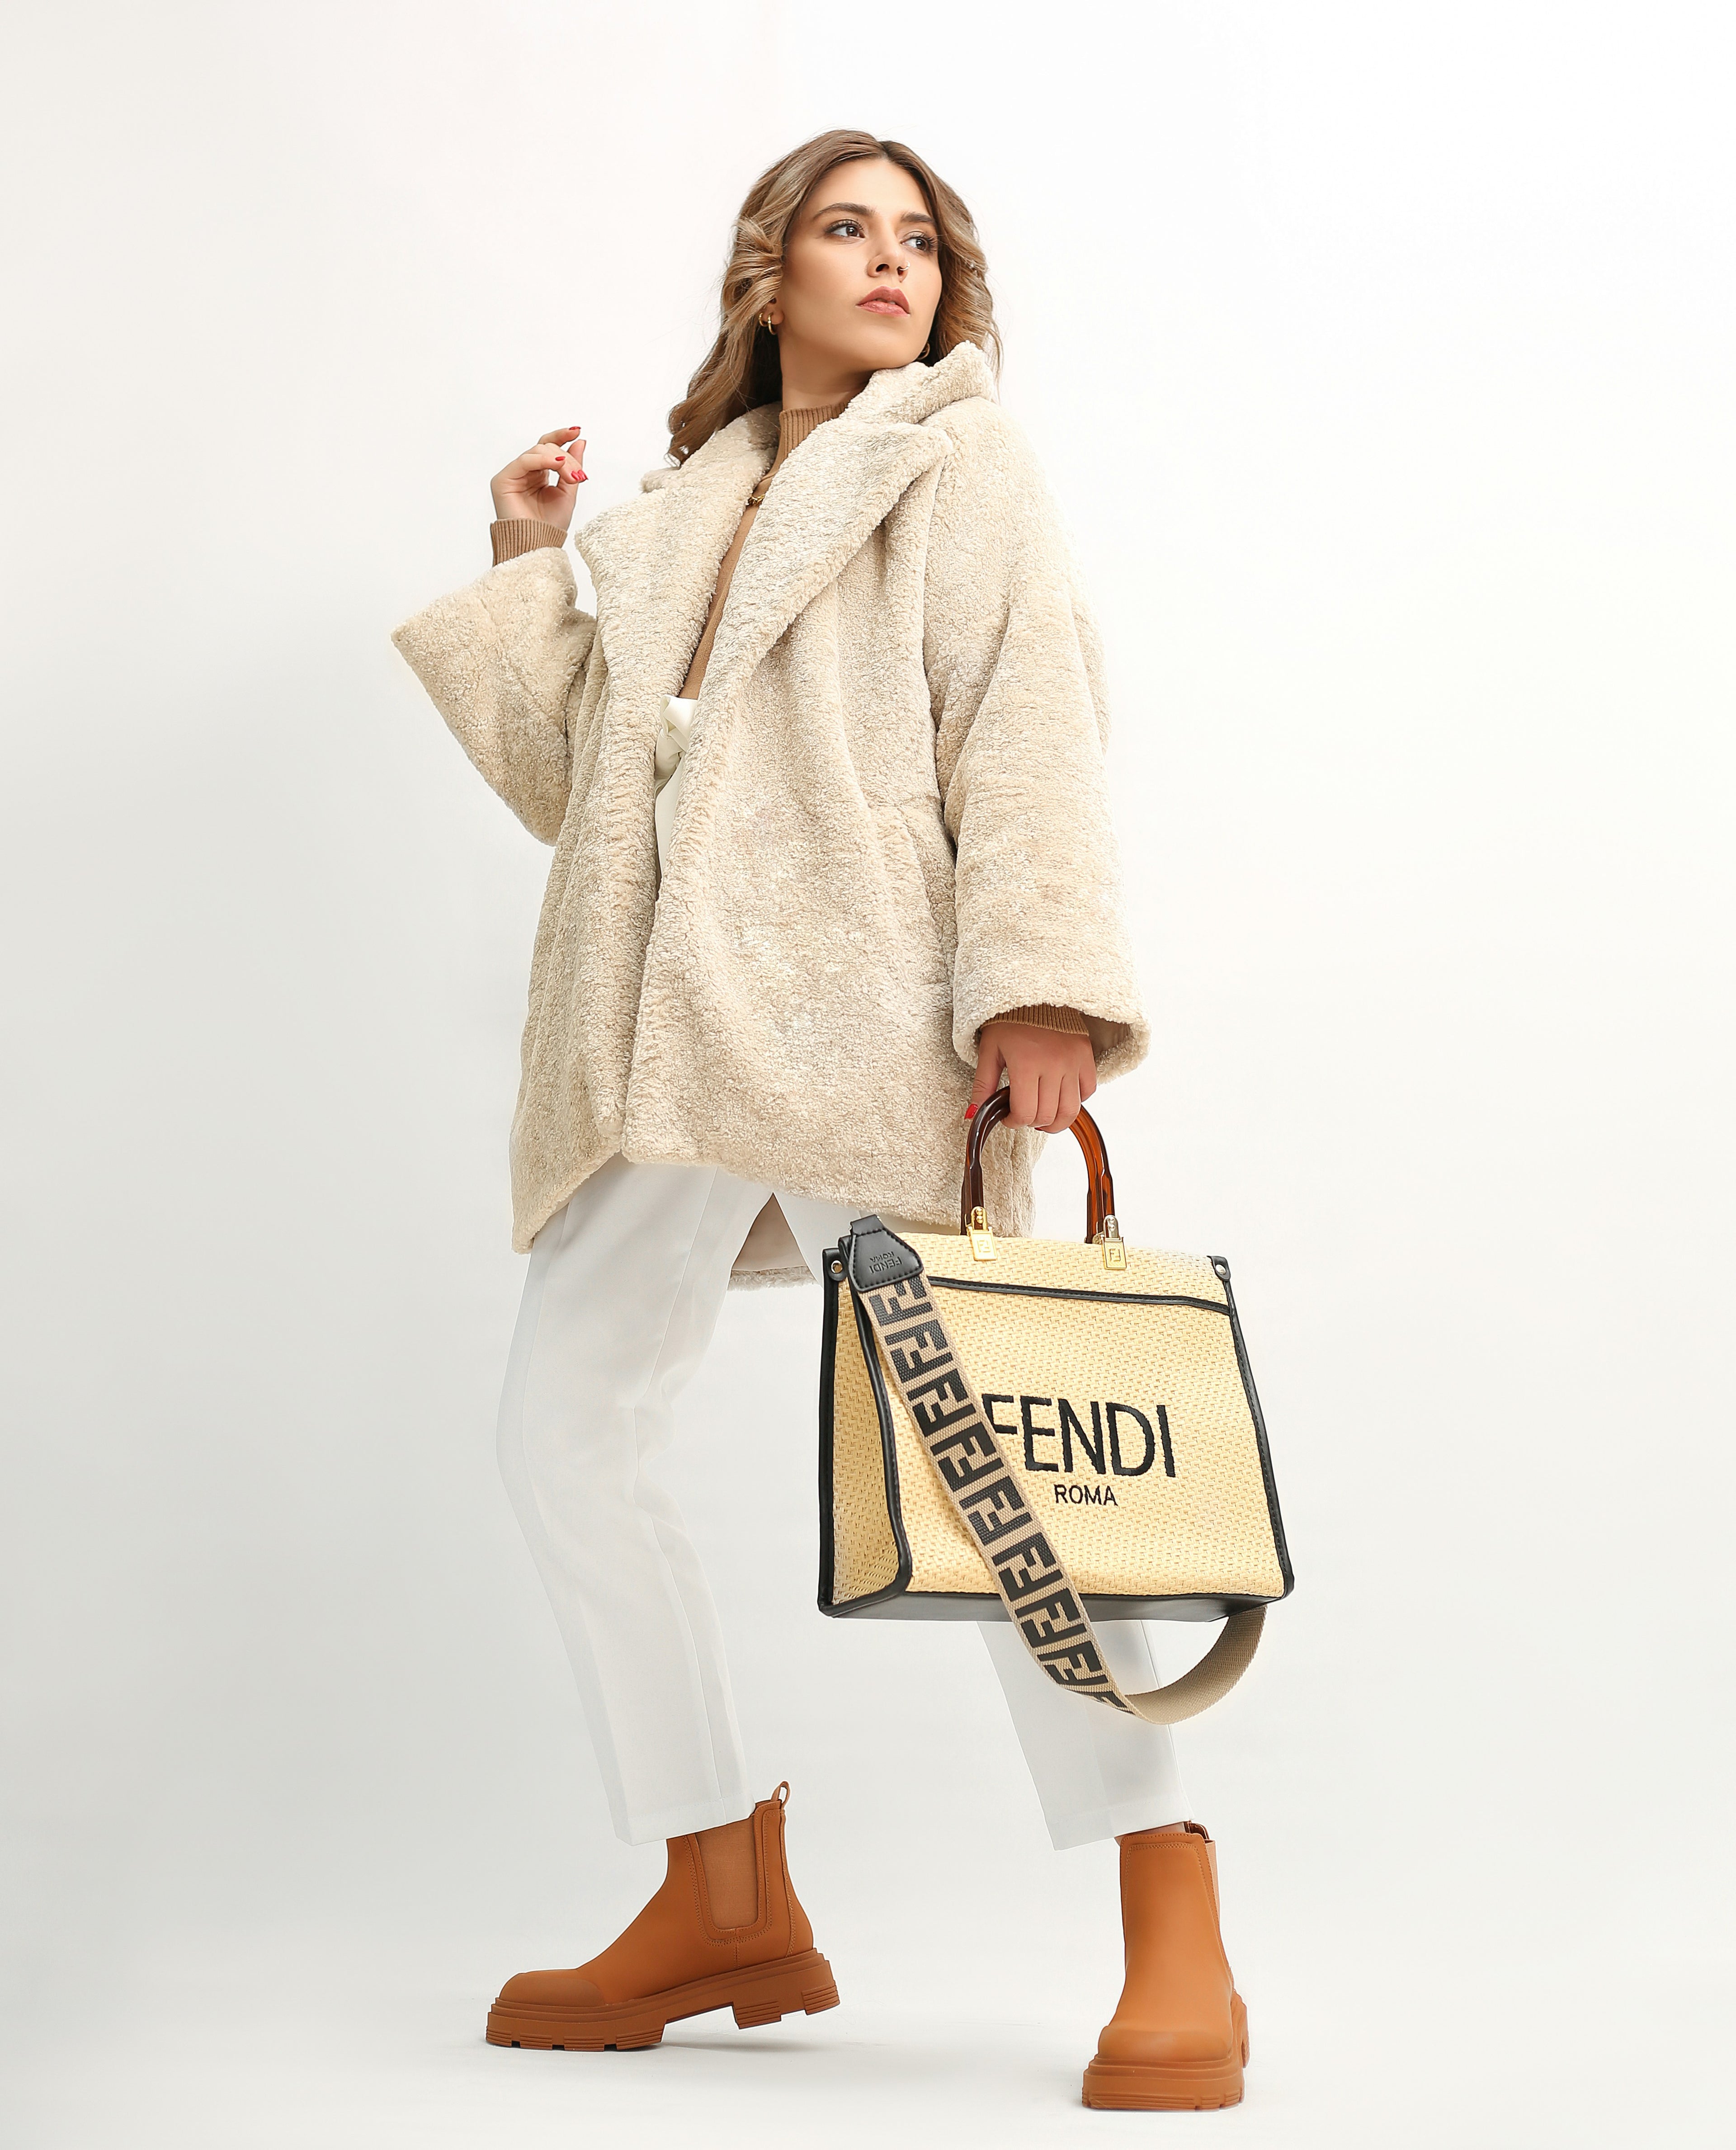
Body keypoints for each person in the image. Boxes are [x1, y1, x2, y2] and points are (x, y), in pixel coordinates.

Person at [393, 127, 1247, 2112]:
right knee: (562, 1430)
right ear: (766, 270)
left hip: (863, 1014)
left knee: (992, 1462)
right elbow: (584, 790)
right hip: (658, 1043)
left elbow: (1028, 715)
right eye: (848, 229)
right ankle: (720, 1884)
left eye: (920, 240)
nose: (891, 262)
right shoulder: (683, 509)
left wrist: (1039, 986)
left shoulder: (961, 463)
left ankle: (1171, 1901)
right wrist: (530, 570)